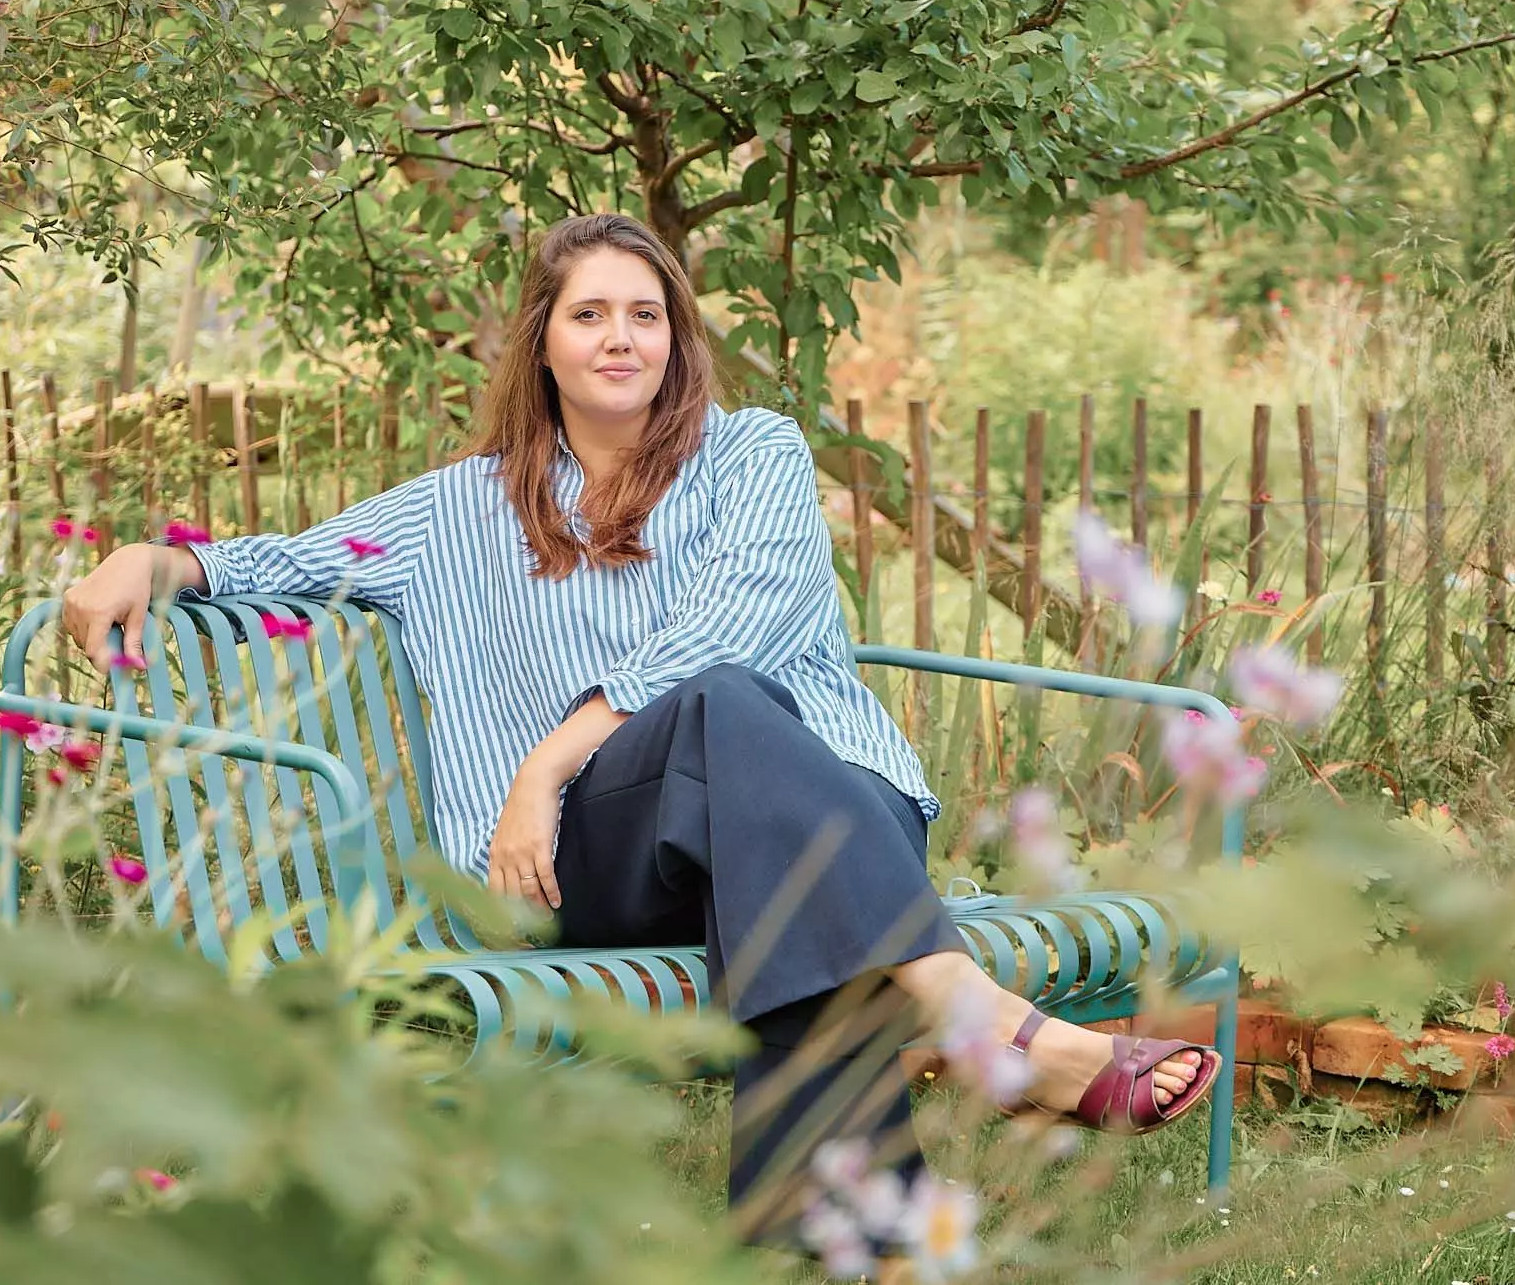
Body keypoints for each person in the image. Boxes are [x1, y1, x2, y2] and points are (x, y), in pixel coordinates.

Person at [62, 213, 1218, 1273]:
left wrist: (549, 750)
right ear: (545, 343)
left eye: (646, 312)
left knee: (742, 751)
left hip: (821, 817)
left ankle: (830, 1237)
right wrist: (156, 563)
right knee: (729, 734)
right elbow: (280, 562)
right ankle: (981, 1023)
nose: (622, 336)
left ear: (677, 337)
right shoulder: (452, 511)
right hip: (594, 861)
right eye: (590, 313)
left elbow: (745, 619)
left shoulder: (753, 453)